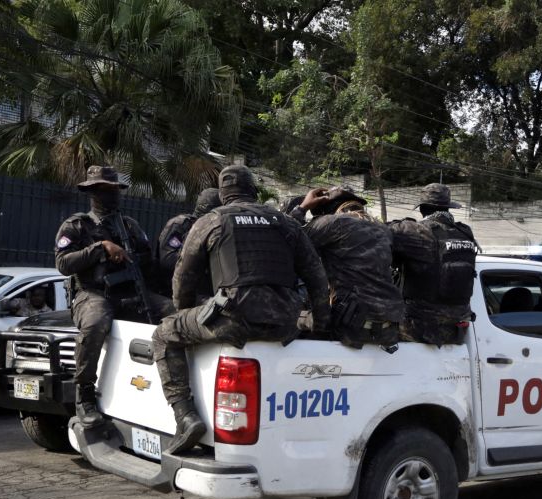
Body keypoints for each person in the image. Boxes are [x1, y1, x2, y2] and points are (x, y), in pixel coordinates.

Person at [151, 165, 330, 455]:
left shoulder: (211, 221)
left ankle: (185, 417)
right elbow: (316, 277)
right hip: (285, 321)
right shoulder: (285, 222)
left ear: (223, 195)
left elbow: (183, 278)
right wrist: (319, 323)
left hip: (233, 320)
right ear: (253, 191)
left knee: (163, 335)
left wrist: (184, 316)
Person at [55, 165, 173, 429]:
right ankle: (84, 394)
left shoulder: (130, 225)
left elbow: (150, 263)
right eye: (105, 190)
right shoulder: (76, 225)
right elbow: (63, 264)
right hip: (92, 294)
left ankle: (175, 392)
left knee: (173, 312)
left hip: (131, 290)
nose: (112, 195)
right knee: (96, 322)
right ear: (93, 192)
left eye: (114, 190)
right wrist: (101, 248)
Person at [292, 186, 404, 350]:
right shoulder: (382, 229)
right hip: (389, 324)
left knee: (294, 318)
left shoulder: (332, 223)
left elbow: (286, 236)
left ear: (327, 208)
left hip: (351, 323)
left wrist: (302, 208)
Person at [388, 183, 477, 345]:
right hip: (455, 330)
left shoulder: (417, 232)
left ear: (422, 209)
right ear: (449, 208)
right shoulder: (465, 233)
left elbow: (381, 232)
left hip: (419, 329)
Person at [154, 188, 221, 296]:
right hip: (171, 291)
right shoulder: (181, 225)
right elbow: (167, 259)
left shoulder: (213, 229)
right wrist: (202, 261)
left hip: (199, 291)